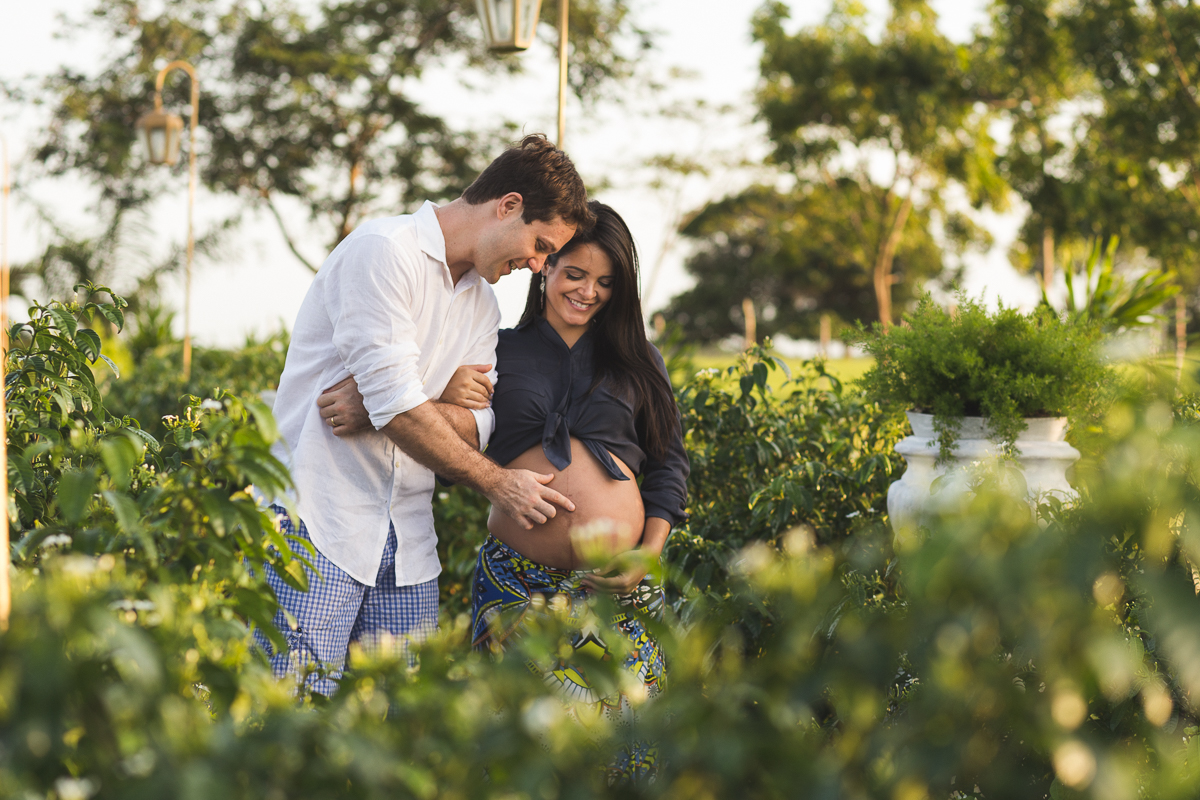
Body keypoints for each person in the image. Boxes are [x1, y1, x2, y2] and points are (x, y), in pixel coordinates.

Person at [324, 202, 689, 780]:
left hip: (619, 587)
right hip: (515, 582)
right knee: (518, 757)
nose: (588, 292)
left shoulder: (639, 360)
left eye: (605, 282)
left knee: (622, 757)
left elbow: (670, 467)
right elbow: (438, 436)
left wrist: (647, 555)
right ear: (545, 266)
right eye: (575, 273)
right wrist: (381, 402)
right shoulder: (497, 349)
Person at [257, 134, 595, 695]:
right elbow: (397, 406)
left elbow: (481, 424)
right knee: (290, 715)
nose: (539, 266)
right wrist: (497, 483)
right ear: (507, 205)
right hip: (319, 524)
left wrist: (401, 404)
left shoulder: (483, 305)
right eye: (539, 244)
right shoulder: (383, 252)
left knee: (402, 731)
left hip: (409, 544)